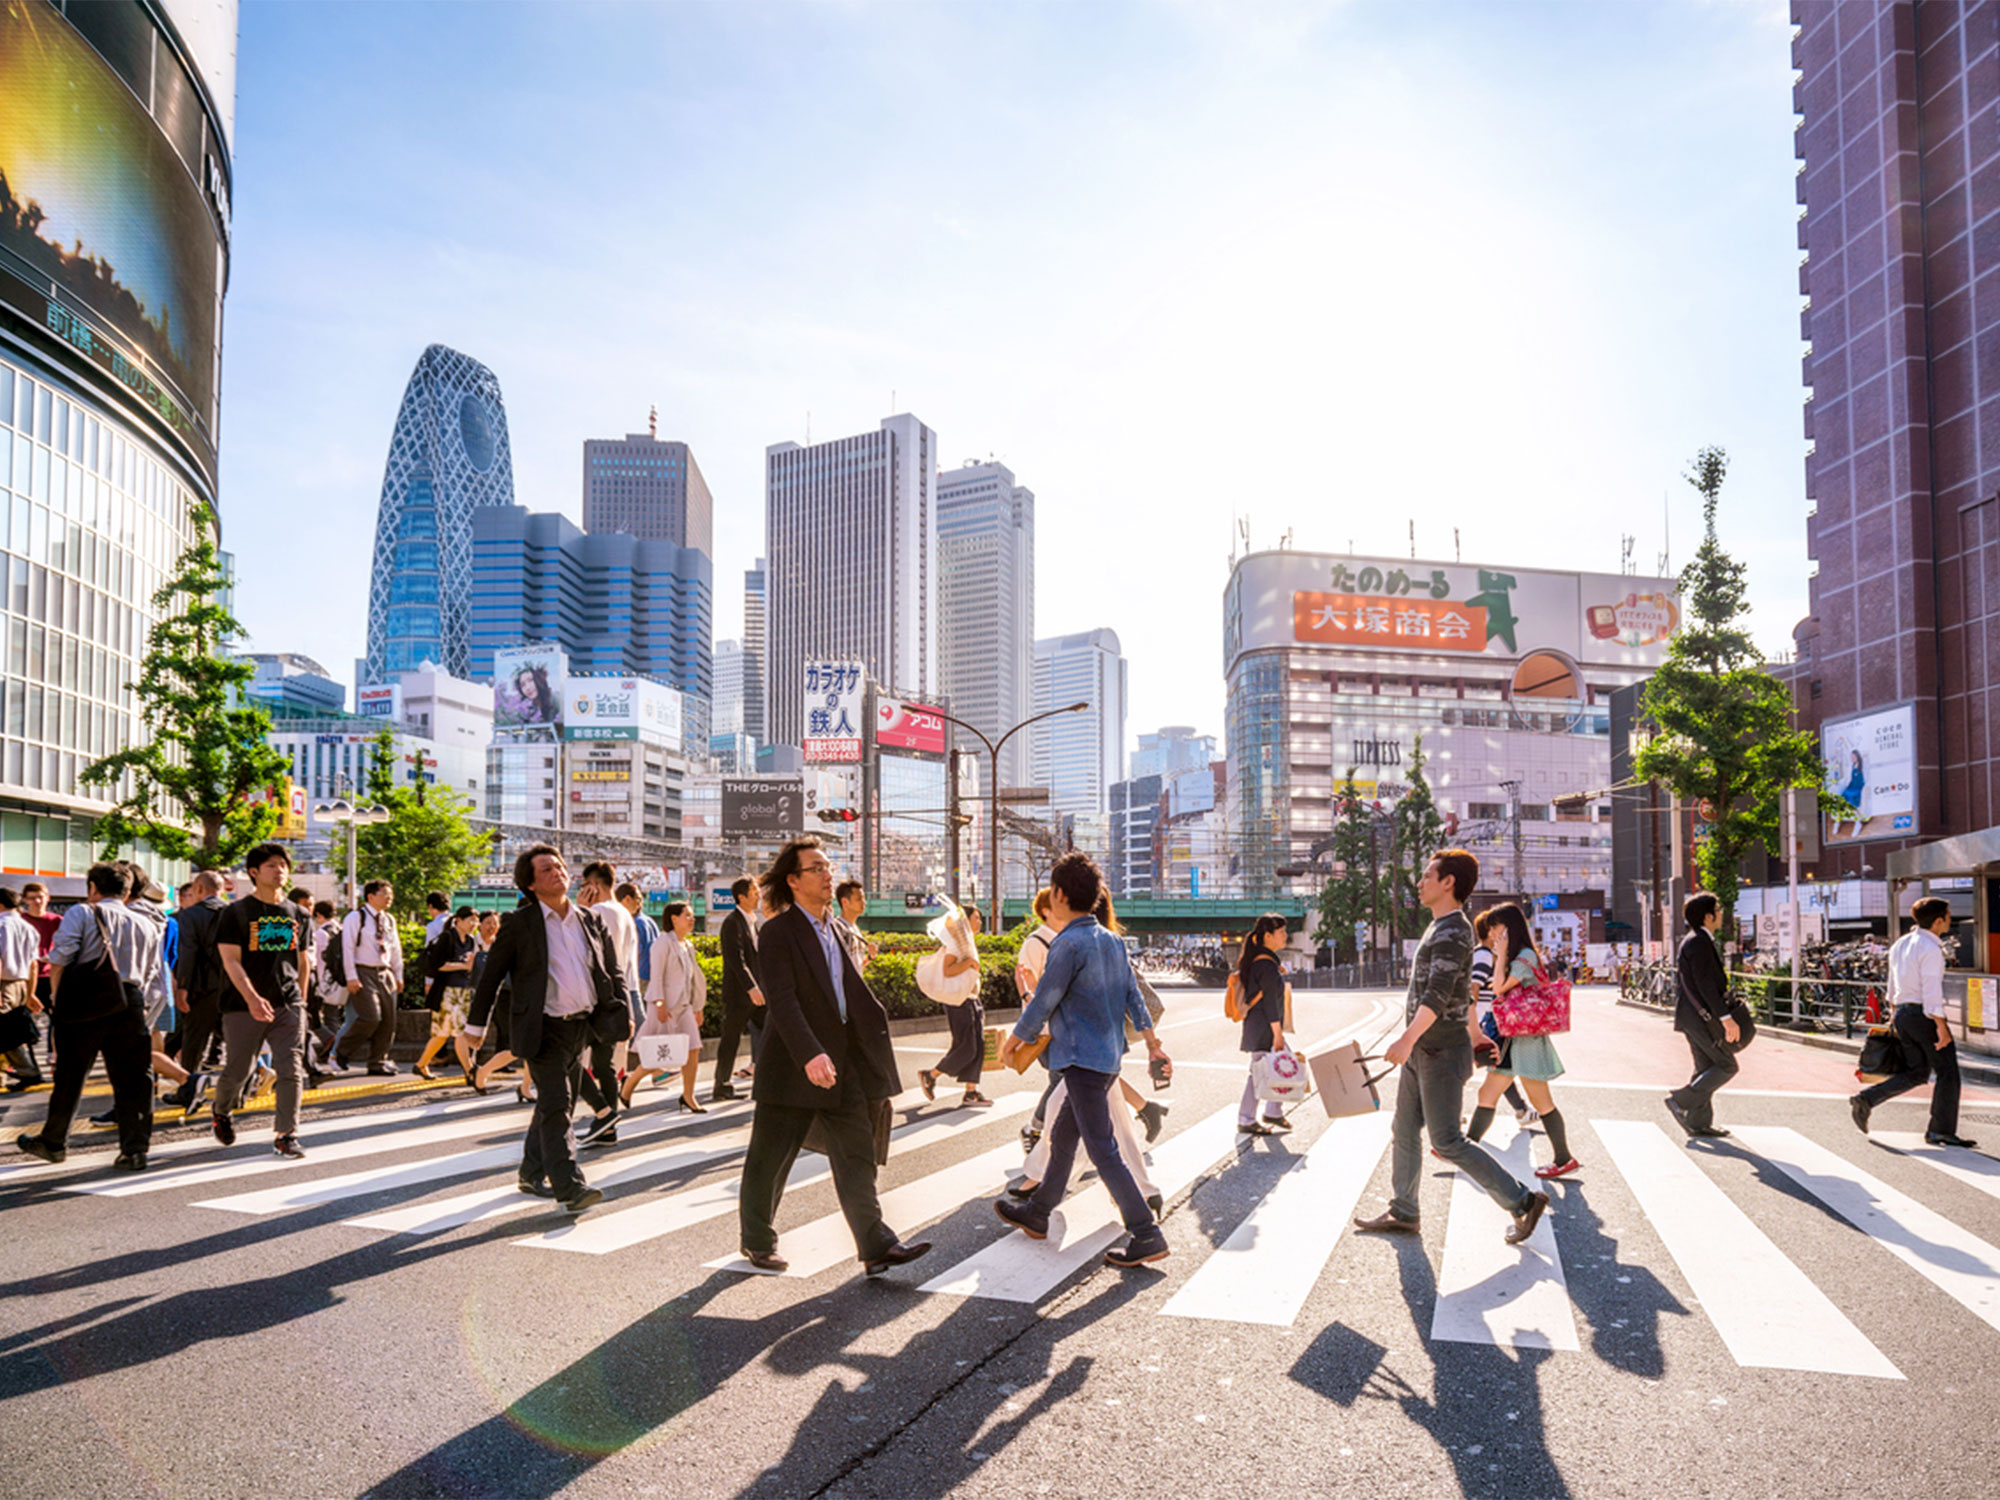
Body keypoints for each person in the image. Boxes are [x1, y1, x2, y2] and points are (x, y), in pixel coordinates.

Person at [736, 836, 931, 1276]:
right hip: (792, 1064)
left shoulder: (839, 929)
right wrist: (809, 1053)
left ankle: (875, 1243)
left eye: (829, 866)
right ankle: (757, 1240)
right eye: (817, 868)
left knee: (857, 1153)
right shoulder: (778, 932)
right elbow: (782, 1001)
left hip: (843, 1063)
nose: (829, 875)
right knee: (770, 1157)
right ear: (793, 880)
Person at [1354, 849, 1550, 1246]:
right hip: (1427, 1048)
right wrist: (1475, 1033)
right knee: (1404, 1128)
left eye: (1428, 875)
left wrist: (1407, 1039)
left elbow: (1439, 993)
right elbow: (1465, 989)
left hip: (1438, 1050)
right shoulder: (1439, 927)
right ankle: (1404, 1210)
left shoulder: (1453, 931)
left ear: (1448, 883)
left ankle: (1522, 1202)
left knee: (1446, 1140)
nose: (1420, 882)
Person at [997, 852, 1174, 1268]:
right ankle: (1038, 1213)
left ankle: (1146, 1233)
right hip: (1108, 1057)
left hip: (1080, 1059)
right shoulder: (1112, 942)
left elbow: (1044, 1001)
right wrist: (1152, 1043)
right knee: (1063, 1137)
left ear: (1058, 894)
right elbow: (1135, 996)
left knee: (1102, 1149)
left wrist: (1014, 1042)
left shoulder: (1067, 944)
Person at [464, 844, 631, 1214]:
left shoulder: (590, 920)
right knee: (557, 1105)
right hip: (542, 1029)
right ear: (530, 885)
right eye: (545, 870)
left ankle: (530, 1170)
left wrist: (624, 1012)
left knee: (556, 1104)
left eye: (558, 866)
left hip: (581, 1027)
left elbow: (612, 972)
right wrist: (475, 1026)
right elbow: (491, 977)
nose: (557, 872)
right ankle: (569, 1186)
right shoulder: (519, 924)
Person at [15, 863, 163, 1170]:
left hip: (86, 1000)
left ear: (93, 888)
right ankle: (135, 1149)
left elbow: (60, 957)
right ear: (126, 891)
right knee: (135, 1079)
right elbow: (151, 972)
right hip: (130, 1001)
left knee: (70, 1074)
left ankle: (54, 1142)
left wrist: (57, 997)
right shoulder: (146, 924)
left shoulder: (82, 913)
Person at [210, 844, 313, 1159]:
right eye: (271, 865)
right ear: (253, 872)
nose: (279, 870)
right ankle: (222, 1109)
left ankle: (286, 1134)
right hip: (244, 1005)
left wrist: (302, 1002)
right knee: (240, 1069)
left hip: (288, 1004)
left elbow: (303, 961)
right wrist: (253, 998)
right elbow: (231, 961)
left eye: (283, 864)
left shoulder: (299, 914)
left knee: (290, 1067)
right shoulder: (235, 913)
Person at [1464, 904, 1579, 1179]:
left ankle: (1564, 1158)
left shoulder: (1525, 956)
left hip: (1525, 1040)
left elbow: (1499, 986)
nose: (1491, 932)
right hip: (1512, 1038)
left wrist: (1501, 954)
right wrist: (1501, 955)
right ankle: (1463, 1150)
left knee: (1542, 1102)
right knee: (1487, 1095)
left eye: (1495, 927)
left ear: (1508, 928)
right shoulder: (1517, 955)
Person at [1851, 895, 1974, 1147]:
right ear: (1939, 921)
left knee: (1917, 1072)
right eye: (1948, 916)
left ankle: (1866, 1099)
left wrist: (1895, 1012)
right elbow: (1931, 991)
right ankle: (1940, 1130)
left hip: (1903, 1013)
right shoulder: (1931, 949)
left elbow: (1892, 984)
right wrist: (1941, 1026)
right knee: (1948, 1071)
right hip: (1923, 1015)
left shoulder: (1901, 944)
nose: (1950, 920)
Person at [574, 861, 639, 1146]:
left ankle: (603, 1112)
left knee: (566, 1059)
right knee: (604, 1065)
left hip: (592, 998)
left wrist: (579, 909)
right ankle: (608, 1125)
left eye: (584, 884)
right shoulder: (625, 913)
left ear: (594, 885)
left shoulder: (596, 912)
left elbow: (582, 951)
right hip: (617, 996)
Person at [1664, 892, 1738, 1141]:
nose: (1721, 912)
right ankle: (1680, 1100)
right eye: (1718, 908)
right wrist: (1726, 1017)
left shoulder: (1695, 940)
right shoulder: (1698, 942)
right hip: (1700, 1018)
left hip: (1692, 1016)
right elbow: (1705, 985)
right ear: (1709, 916)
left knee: (1705, 1067)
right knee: (1727, 1065)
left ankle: (1698, 1122)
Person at [624, 899, 706, 1111]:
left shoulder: (687, 945)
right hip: (665, 1006)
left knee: (693, 1049)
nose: (691, 919)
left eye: (691, 916)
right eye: (687, 915)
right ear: (674, 919)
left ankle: (688, 1096)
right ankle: (629, 1084)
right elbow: (656, 976)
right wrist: (660, 1004)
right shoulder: (662, 943)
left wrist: (698, 1006)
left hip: (684, 1006)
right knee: (659, 1052)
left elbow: (692, 979)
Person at [918, 902, 992, 1108]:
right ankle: (930, 1075)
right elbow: (948, 970)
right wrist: (968, 963)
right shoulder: (954, 944)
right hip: (958, 1002)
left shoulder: (967, 943)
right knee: (967, 1047)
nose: (979, 921)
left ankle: (971, 1092)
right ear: (965, 921)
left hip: (970, 999)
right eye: (976, 917)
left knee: (978, 1046)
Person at [166, 871, 229, 1114]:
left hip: (202, 988)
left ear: (199, 889)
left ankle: (189, 1090)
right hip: (231, 986)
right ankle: (249, 1081)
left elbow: (188, 953)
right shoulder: (234, 912)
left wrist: (183, 987)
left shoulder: (190, 915)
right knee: (233, 1038)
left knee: (193, 1042)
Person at [1469, 910, 1534, 1126]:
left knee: (1497, 1068)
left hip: (1484, 1020)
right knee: (1487, 1067)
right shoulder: (1484, 955)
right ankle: (1446, 1115)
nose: (1501, 932)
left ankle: (1521, 1109)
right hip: (1479, 1021)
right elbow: (1474, 987)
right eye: (1497, 927)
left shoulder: (1486, 954)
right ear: (1489, 931)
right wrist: (1472, 1022)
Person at [332, 880, 403, 1075]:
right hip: (363, 970)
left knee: (389, 1021)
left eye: (390, 894)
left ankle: (378, 1062)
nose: (389, 898)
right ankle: (340, 1052)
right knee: (371, 1017)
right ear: (371, 896)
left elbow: (395, 948)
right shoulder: (356, 917)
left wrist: (398, 974)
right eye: (385, 894)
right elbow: (348, 947)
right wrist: (351, 976)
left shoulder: (388, 919)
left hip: (385, 972)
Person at [1235, 913, 1291, 1136]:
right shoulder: (1265, 965)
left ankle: (1273, 1111)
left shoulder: (1264, 963)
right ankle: (1246, 1118)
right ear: (1268, 936)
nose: (1286, 936)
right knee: (1259, 1073)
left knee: (1280, 1066)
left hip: (1260, 1026)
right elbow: (1269, 1003)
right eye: (1282, 932)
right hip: (1264, 1028)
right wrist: (1277, 1034)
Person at [711, 876, 764, 1102]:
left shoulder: (753, 921)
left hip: (760, 993)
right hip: (740, 994)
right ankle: (721, 1085)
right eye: (754, 892)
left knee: (774, 1032)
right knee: (730, 1038)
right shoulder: (732, 922)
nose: (758, 896)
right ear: (741, 897)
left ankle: (767, 1080)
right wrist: (751, 987)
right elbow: (736, 959)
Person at [1014, 888, 1060, 1148]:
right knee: (1062, 1079)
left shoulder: (1063, 939)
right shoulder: (1036, 942)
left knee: (1068, 1080)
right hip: (1045, 1028)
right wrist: (1030, 1000)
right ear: (1046, 911)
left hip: (1064, 1024)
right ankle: (1034, 1128)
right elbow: (1023, 978)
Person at [415, 907, 480, 1081]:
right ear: (458, 920)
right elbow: (438, 965)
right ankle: (469, 1071)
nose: (474, 924)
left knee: (443, 1035)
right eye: (470, 920)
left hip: (463, 991)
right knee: (455, 1033)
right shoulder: (447, 938)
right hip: (446, 992)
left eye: (476, 921)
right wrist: (463, 966)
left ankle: (421, 1064)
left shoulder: (471, 941)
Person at [0, 887, 44, 1088]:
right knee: (13, 1030)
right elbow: (33, 964)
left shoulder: (1, 925)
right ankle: (27, 1071)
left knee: (7, 1032)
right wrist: (31, 993)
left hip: (4, 984)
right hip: (22, 983)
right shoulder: (28, 928)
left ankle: (28, 1071)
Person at [620, 883, 660, 1027]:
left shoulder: (633, 923)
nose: (640, 901)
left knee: (639, 1023)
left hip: (639, 978)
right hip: (653, 977)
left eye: (639, 898)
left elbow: (635, 953)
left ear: (625, 900)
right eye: (638, 898)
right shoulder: (649, 921)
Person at [832, 880, 877, 974]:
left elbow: (857, 966)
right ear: (845, 902)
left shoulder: (855, 928)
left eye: (863, 898)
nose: (864, 903)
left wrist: (870, 957)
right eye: (859, 899)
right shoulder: (838, 929)